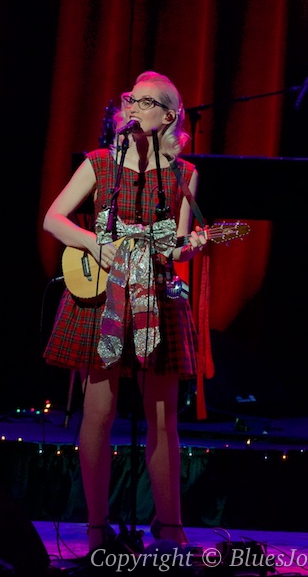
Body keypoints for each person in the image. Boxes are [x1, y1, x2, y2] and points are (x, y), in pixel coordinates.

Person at [43, 71, 208, 552]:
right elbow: (53, 218)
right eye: (129, 99)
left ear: (168, 116)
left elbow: (177, 246)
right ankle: (96, 529)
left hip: (155, 296)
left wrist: (193, 247)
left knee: (161, 419)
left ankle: (171, 527)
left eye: (145, 101)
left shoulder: (184, 173)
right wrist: (96, 243)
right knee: (98, 410)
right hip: (101, 297)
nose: (133, 107)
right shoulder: (99, 163)